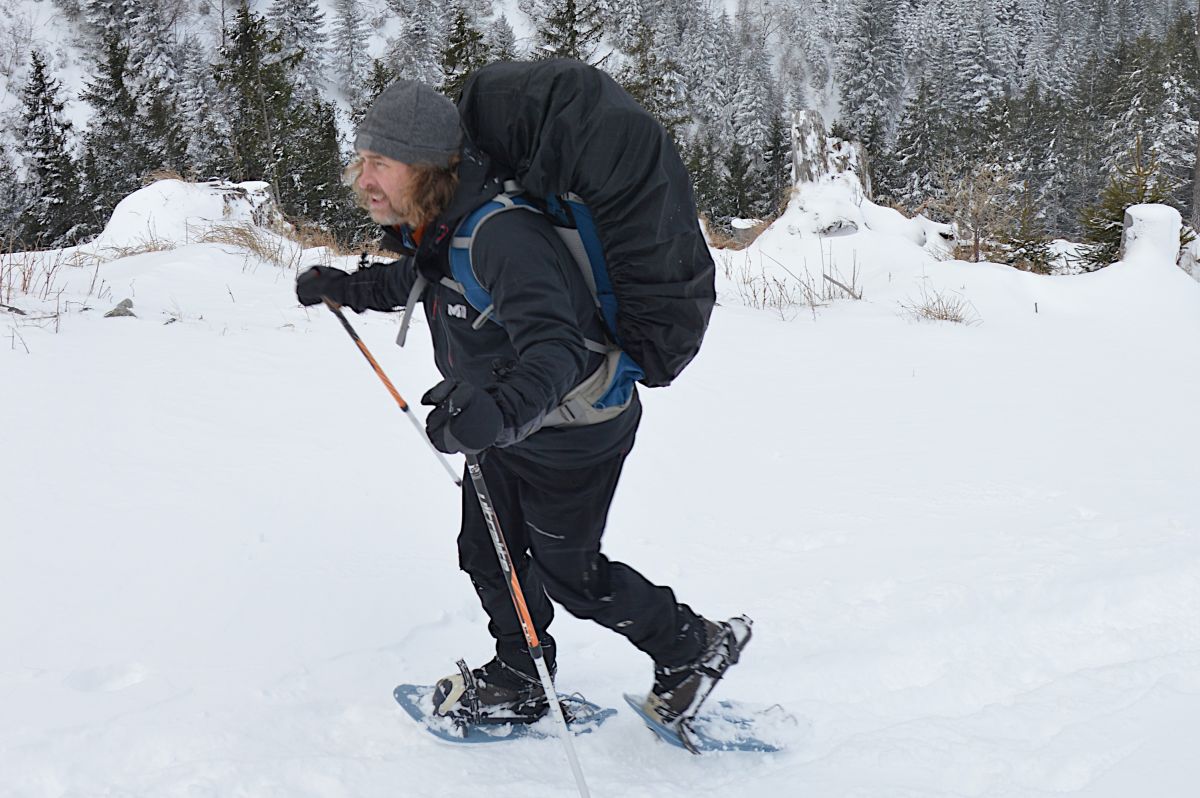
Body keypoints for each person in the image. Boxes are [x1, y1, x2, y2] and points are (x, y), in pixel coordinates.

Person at [295, 79, 748, 729]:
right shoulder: (442, 226)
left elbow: (556, 350)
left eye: (380, 164)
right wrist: (344, 286)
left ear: (426, 167)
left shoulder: (502, 235)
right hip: (505, 422)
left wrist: (497, 413)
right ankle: (521, 673)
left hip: (574, 428)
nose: (361, 178)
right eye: (361, 159)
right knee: (488, 552)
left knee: (571, 573)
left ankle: (693, 645)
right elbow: (416, 277)